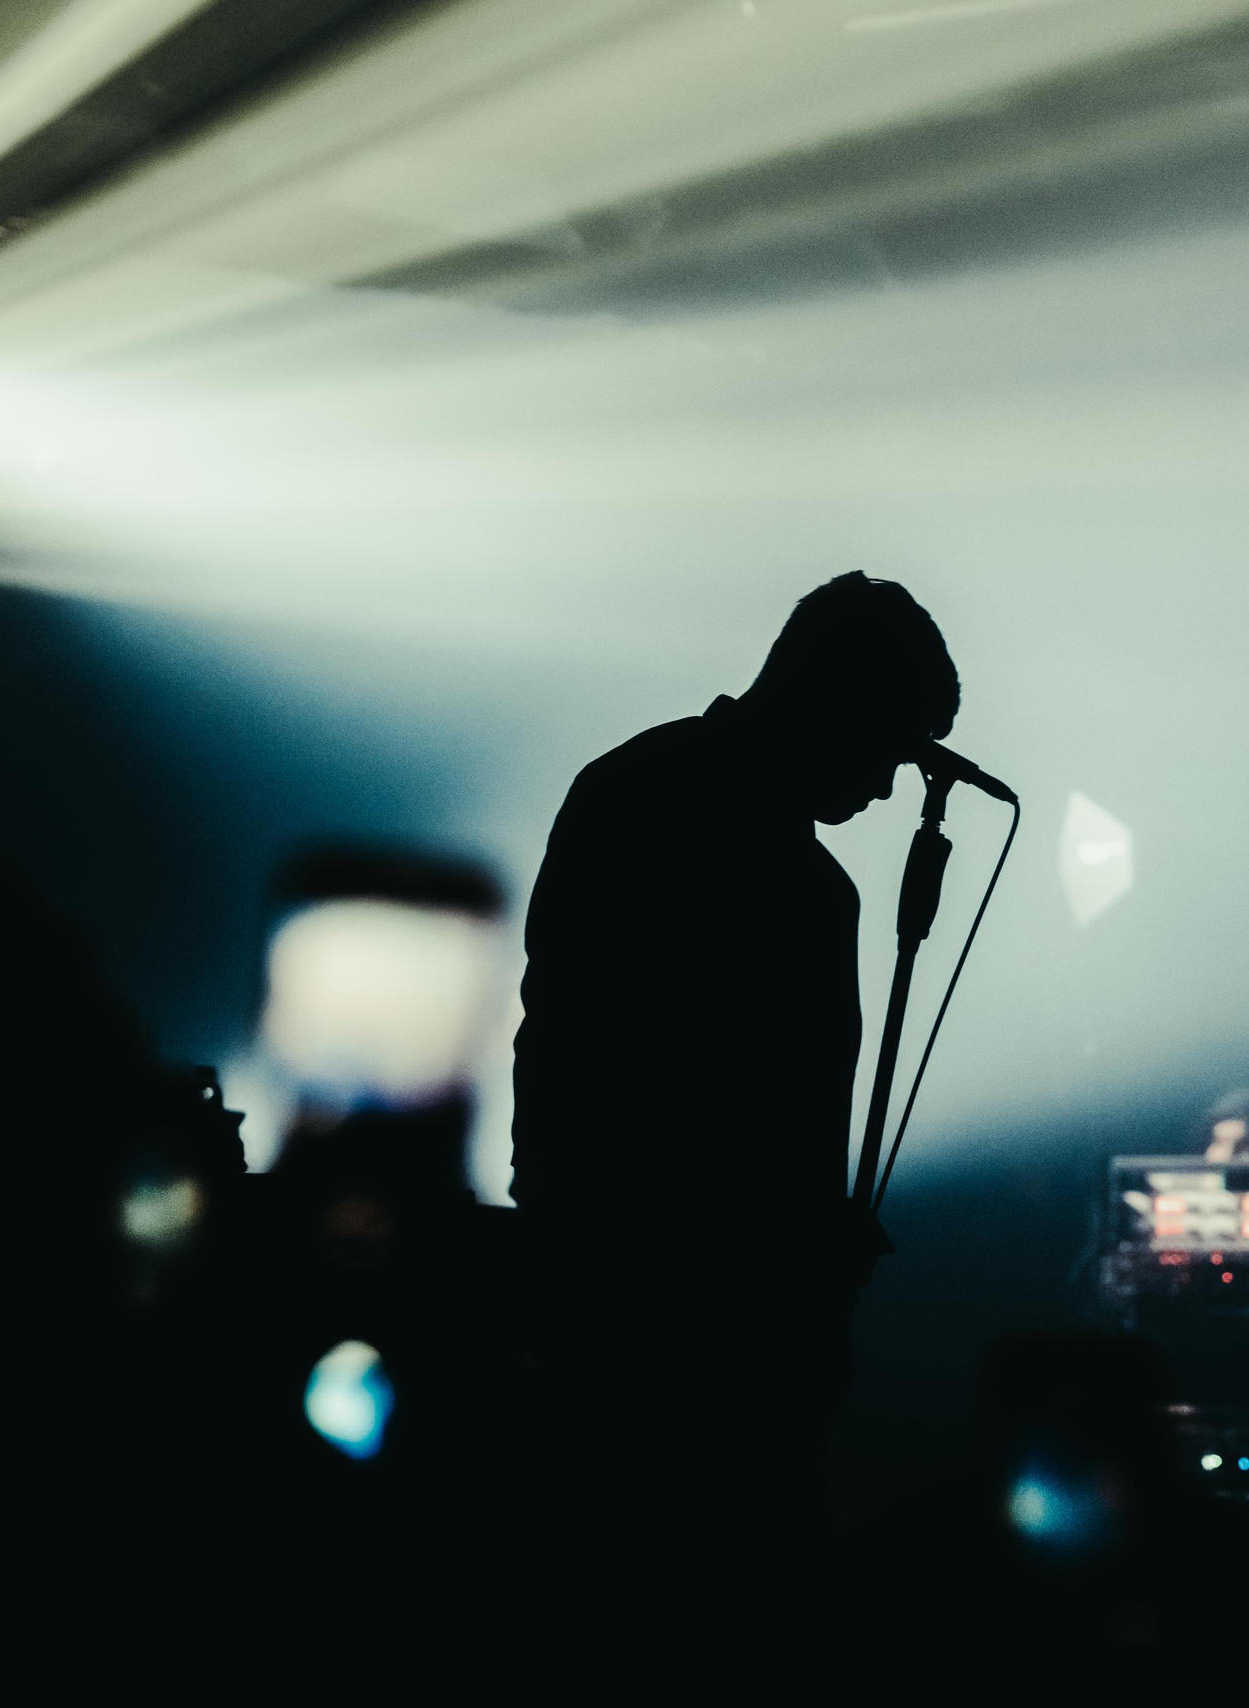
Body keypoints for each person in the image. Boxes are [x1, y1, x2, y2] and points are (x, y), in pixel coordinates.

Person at [510, 573, 961, 1619]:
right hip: (658, 1326)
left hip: (662, 1308)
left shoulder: (637, 791)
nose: (893, 787)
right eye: (890, 744)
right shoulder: (715, 839)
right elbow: (618, 1067)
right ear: (834, 696)